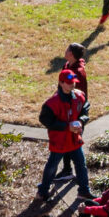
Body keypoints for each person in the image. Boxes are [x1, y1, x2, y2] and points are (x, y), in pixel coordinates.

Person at [38, 72, 91, 202]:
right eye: (69, 82)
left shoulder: (79, 96)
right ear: (61, 83)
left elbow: (85, 110)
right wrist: (67, 126)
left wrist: (81, 121)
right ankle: (43, 191)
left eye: (73, 82)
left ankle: (84, 191)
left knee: (81, 164)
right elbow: (45, 120)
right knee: (52, 166)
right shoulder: (52, 103)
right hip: (60, 141)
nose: (72, 84)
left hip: (74, 139)